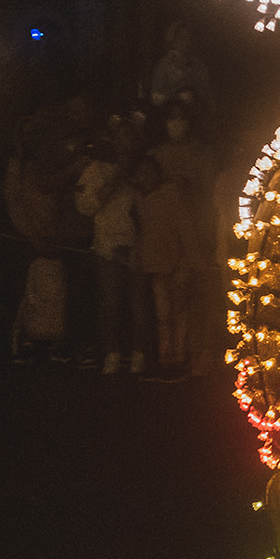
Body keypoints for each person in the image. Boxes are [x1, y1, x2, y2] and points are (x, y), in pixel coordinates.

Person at [75, 124, 143, 375]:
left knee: (139, 306)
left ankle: (139, 353)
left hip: (138, 245)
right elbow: (84, 206)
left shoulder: (145, 168)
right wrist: (110, 184)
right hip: (107, 246)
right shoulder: (96, 171)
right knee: (111, 303)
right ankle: (112, 353)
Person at [134, 156, 203, 379]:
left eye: (150, 172)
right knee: (163, 315)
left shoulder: (171, 197)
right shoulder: (141, 202)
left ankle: (181, 358)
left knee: (180, 313)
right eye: (142, 173)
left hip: (179, 264)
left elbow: (185, 231)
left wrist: (188, 261)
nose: (146, 178)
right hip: (156, 266)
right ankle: (166, 358)